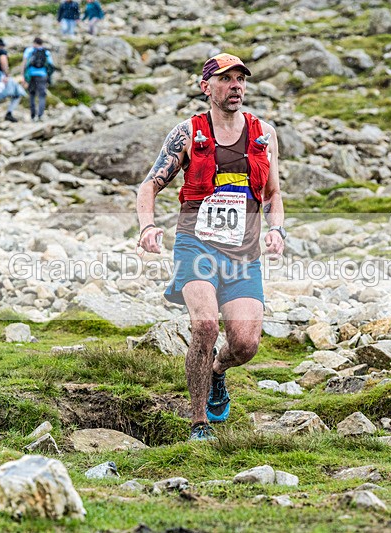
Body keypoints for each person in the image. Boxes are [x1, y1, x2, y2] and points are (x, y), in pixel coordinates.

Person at [136, 53, 285, 442]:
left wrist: (277, 230)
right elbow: (150, 185)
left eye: (241, 79)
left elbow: (273, 193)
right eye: (226, 79)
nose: (236, 86)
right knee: (204, 326)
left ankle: (217, 372)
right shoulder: (187, 133)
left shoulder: (264, 133)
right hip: (196, 246)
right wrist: (147, 226)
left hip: (243, 253)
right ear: (206, 87)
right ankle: (199, 423)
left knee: (246, 344)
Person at [20, 37, 54, 121]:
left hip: (31, 75)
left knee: (32, 94)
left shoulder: (29, 50)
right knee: (42, 95)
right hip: (42, 75)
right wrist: (49, 77)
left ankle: (33, 115)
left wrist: (22, 75)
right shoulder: (46, 52)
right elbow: (51, 65)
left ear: (35, 43)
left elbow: (24, 63)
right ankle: (40, 115)